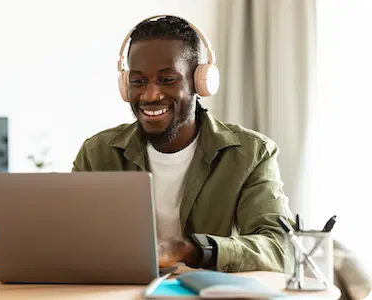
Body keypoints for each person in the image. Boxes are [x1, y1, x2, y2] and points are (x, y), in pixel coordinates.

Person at [72, 15, 294, 273]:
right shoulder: (97, 152)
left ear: (200, 82)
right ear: (125, 85)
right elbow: (69, 237)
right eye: (138, 81)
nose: (150, 94)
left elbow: (280, 248)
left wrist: (190, 250)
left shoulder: (251, 154)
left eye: (167, 80)